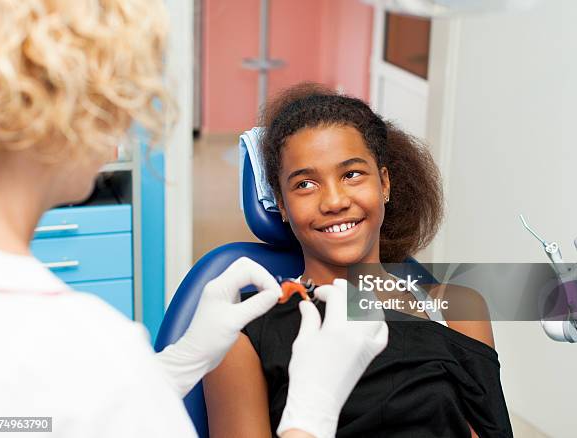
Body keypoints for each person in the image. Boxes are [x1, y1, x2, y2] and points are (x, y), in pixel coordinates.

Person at [0, 3, 387, 437]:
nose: (118, 144)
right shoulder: (96, 346)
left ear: (386, 182)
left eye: (352, 174)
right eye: (115, 106)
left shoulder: (448, 297)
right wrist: (311, 415)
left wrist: (173, 368)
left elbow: (20, 423)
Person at [203, 83, 514, 437]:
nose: (334, 201)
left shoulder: (456, 309)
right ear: (282, 204)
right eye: (305, 184)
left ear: (384, 183)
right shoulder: (242, 331)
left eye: (351, 174)